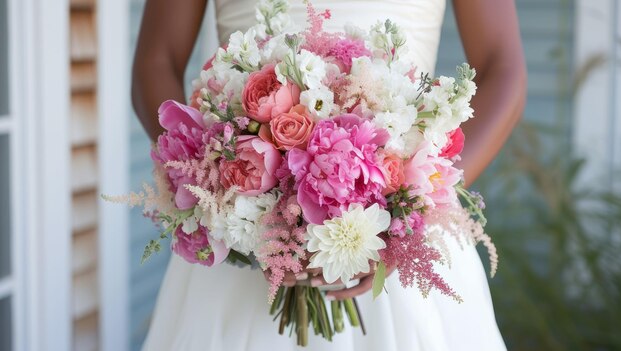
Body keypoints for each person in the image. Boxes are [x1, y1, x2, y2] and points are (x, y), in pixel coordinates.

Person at [132, 0, 527, 350]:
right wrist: (216, 174)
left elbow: (502, 66)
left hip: (402, 238)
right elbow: (157, 60)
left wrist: (411, 209)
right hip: (237, 221)